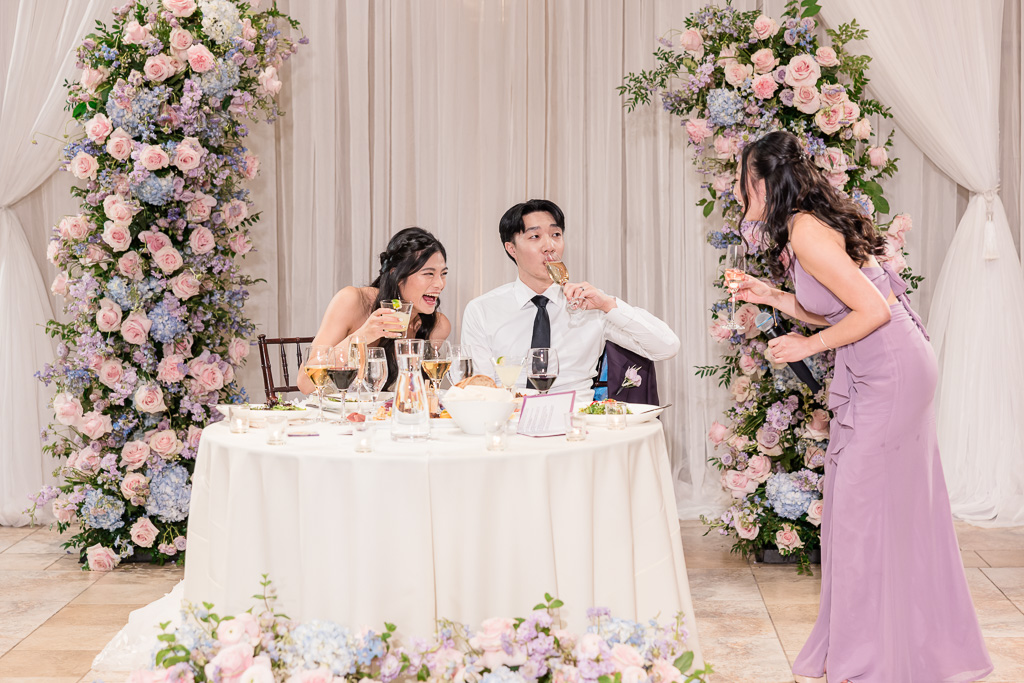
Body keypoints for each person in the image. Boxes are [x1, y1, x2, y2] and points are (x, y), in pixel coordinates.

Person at [734, 131, 992, 683]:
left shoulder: (804, 231)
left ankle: (877, 657)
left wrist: (805, 346)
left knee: (858, 515)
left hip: (888, 372)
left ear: (758, 181)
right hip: (889, 366)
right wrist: (773, 296)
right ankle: (903, 644)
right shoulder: (805, 223)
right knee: (882, 511)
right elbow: (837, 307)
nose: (738, 193)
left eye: (741, 181)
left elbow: (871, 310)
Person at [461, 199, 679, 394]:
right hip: (510, 421)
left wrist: (608, 305)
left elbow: (667, 347)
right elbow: (481, 388)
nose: (550, 246)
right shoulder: (482, 310)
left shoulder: (591, 306)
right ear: (512, 249)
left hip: (577, 424)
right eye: (535, 236)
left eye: (556, 235)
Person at [297, 227, 450, 394]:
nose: (440, 284)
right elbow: (305, 384)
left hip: (387, 418)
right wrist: (362, 336)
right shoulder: (352, 301)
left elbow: (414, 394)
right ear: (397, 275)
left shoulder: (437, 326)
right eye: (429, 274)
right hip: (336, 416)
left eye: (443, 274)